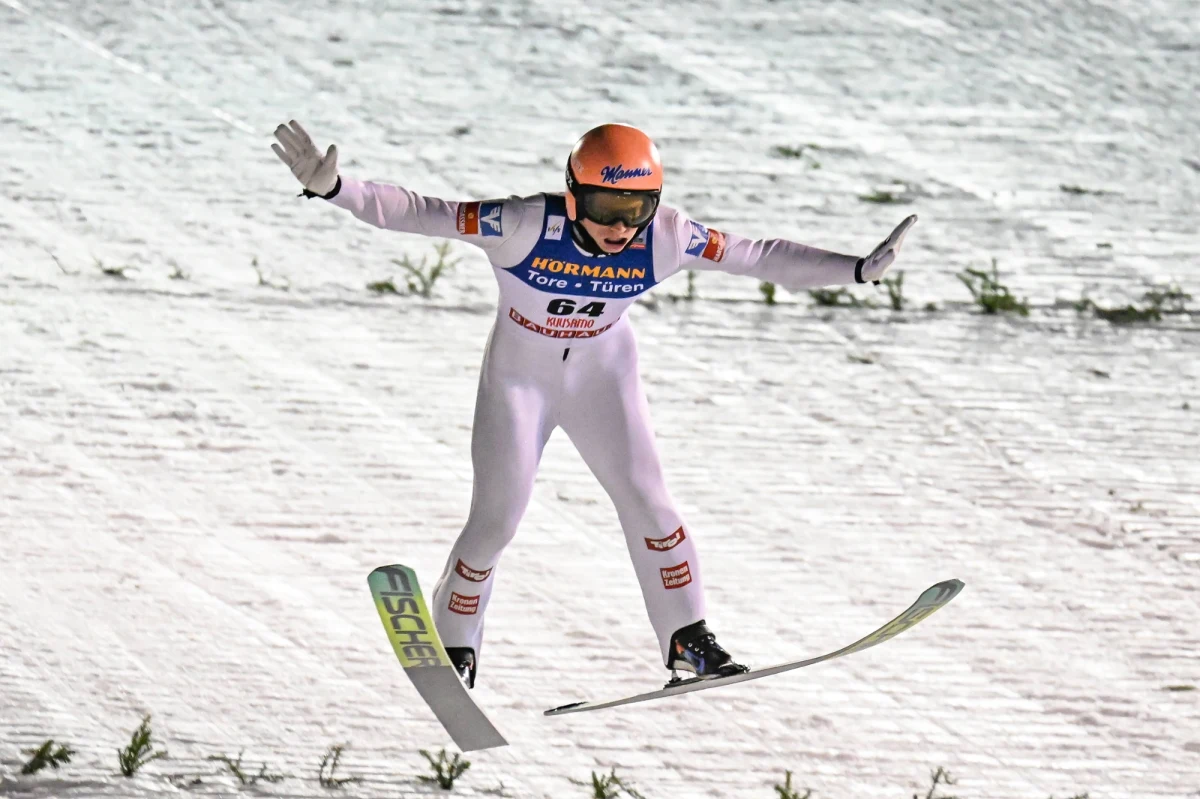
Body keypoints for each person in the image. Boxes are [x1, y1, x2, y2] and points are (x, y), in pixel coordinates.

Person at [273, 120, 915, 688]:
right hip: (520, 384)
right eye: (606, 206)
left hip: (602, 379)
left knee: (651, 504)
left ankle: (688, 639)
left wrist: (854, 270)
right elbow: (419, 211)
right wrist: (336, 189)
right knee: (498, 520)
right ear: (574, 193)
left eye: (635, 208)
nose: (618, 226)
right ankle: (457, 639)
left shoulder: (666, 237)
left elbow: (759, 256)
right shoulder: (523, 224)